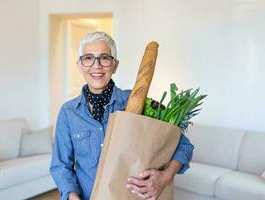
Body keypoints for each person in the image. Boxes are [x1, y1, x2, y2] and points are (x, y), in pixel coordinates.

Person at [50, 31, 194, 200]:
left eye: (104, 58)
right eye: (88, 58)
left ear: (115, 65)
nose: (96, 66)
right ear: (80, 65)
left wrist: (165, 177)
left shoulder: (140, 103)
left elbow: (184, 145)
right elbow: (61, 166)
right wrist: (72, 196)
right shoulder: (68, 112)